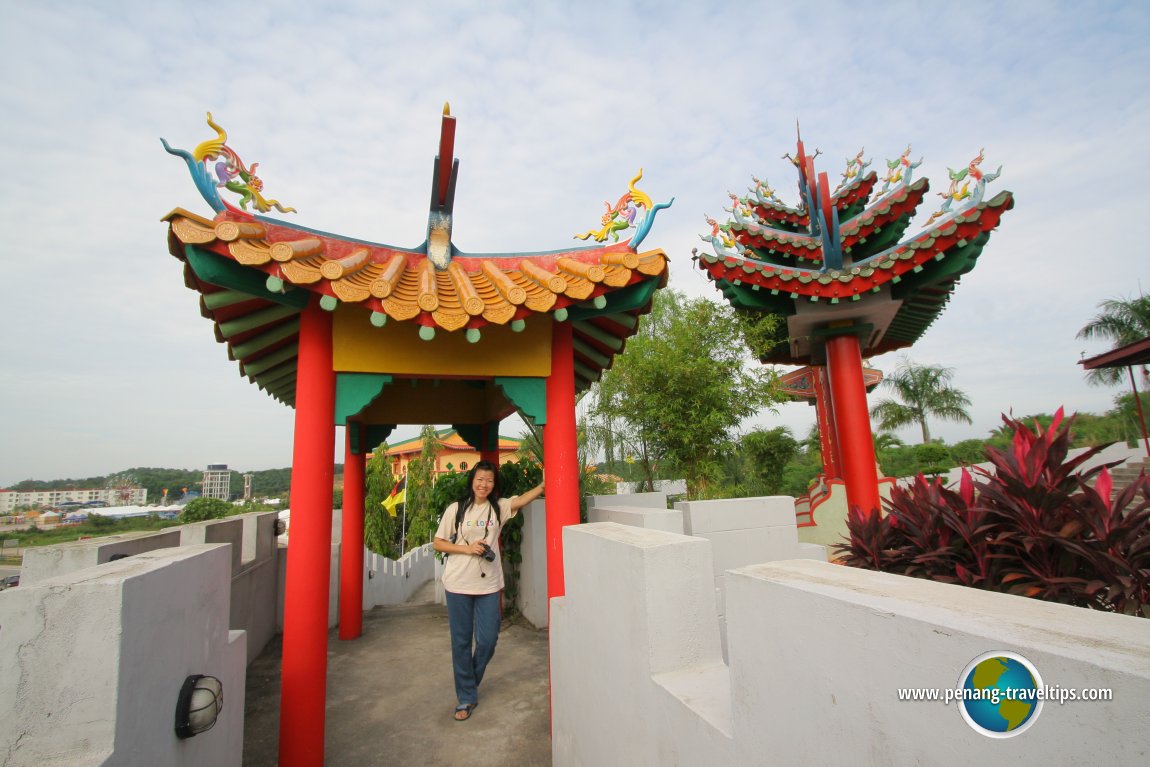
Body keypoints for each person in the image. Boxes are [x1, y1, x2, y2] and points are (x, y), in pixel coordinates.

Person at [432, 461, 544, 721]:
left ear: (495, 484)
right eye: (480, 479)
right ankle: (467, 697)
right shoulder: (456, 509)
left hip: (489, 584)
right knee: (461, 642)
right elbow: (438, 543)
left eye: (489, 480)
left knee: (488, 639)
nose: (484, 484)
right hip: (458, 583)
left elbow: (522, 501)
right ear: (472, 480)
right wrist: (467, 549)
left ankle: (468, 680)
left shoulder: (499, 508)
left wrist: (542, 485)